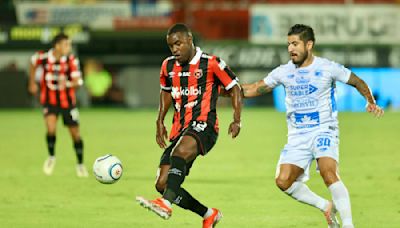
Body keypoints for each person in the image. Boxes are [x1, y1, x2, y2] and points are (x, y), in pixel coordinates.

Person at [241, 24, 384, 228]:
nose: (291, 49)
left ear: (309, 44)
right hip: (297, 136)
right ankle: (325, 206)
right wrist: (226, 89)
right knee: (283, 181)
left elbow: (357, 81)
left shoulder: (327, 67)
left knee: (328, 172)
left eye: (295, 44)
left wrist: (370, 101)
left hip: (324, 130)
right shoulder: (283, 72)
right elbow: (254, 88)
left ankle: (349, 225)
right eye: (289, 44)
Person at [136, 23, 242, 228]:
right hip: (180, 129)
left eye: (178, 44)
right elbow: (166, 91)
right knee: (163, 184)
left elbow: (234, 87)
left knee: (180, 152)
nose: (174, 49)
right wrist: (160, 120)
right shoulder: (168, 65)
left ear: (189, 40)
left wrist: (237, 119)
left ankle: (166, 204)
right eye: (170, 46)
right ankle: (209, 214)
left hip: (205, 126)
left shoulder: (211, 63)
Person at [28, 33, 88, 177]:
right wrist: (31, 82)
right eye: (66, 44)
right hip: (50, 101)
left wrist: (67, 83)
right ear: (57, 46)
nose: (69, 47)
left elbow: (78, 82)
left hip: (68, 103)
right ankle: (51, 157)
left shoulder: (71, 60)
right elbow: (32, 62)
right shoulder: (43, 57)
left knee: (75, 134)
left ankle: (80, 164)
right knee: (51, 128)